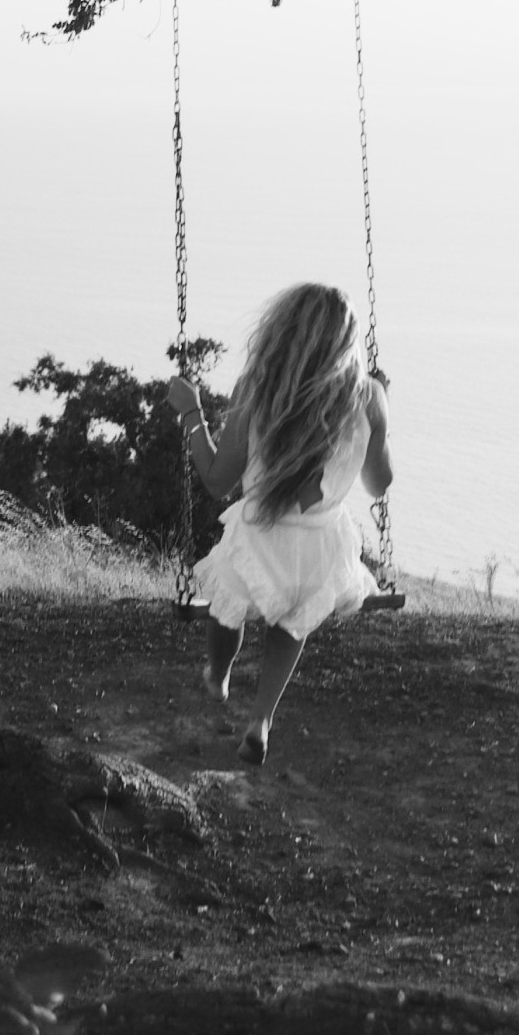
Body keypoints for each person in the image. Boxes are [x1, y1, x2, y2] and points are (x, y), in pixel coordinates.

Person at [162, 283, 393, 766]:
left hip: (259, 536)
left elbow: (216, 480)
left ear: (282, 331)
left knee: (228, 605)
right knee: (292, 622)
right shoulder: (368, 397)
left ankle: (218, 673)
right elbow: (378, 483)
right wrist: (380, 422)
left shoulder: (256, 390)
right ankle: (261, 720)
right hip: (323, 548)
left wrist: (190, 414)